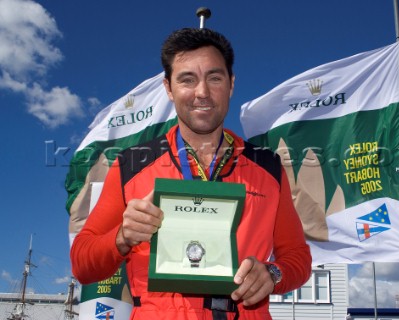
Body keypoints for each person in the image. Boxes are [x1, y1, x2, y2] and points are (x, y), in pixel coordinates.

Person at [70, 27, 312, 320]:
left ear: (231, 84)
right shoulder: (130, 165)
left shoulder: (268, 167)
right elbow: (82, 264)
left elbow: (297, 257)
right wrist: (121, 237)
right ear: (168, 88)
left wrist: (273, 273)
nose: (202, 92)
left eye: (215, 78)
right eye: (187, 79)